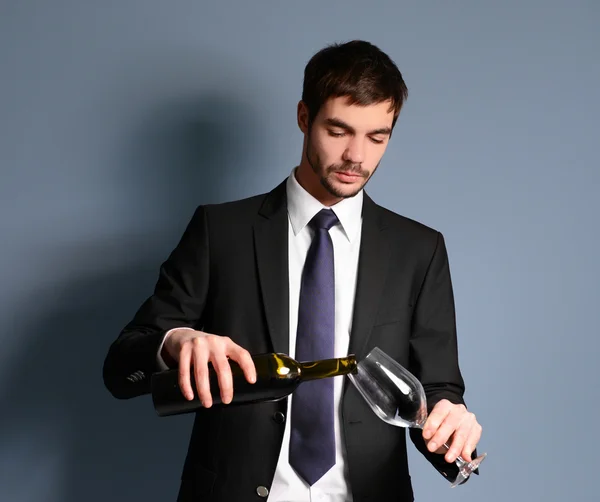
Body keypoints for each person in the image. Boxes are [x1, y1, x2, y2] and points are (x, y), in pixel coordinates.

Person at [103, 39, 483, 501]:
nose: (356, 157)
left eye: (377, 137)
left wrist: (452, 418)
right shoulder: (219, 231)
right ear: (304, 117)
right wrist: (174, 341)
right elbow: (121, 368)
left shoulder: (419, 249)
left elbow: (437, 389)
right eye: (339, 131)